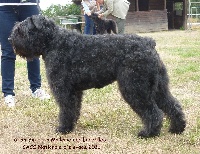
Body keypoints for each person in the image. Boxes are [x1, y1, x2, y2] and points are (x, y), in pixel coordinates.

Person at [0, 0, 50, 107]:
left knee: (34, 49)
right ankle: (8, 93)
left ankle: (36, 88)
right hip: (6, 6)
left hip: (29, 5)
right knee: (8, 51)